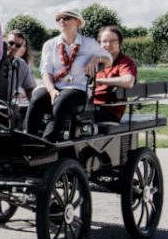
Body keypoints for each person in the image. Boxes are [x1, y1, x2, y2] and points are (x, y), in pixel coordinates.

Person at [25, 8, 112, 140]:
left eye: (66, 18)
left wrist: (96, 58)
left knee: (62, 100)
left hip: (77, 88)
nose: (61, 21)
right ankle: (29, 139)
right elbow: (46, 72)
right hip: (53, 85)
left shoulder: (89, 43)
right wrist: (51, 90)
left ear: (77, 21)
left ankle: (46, 143)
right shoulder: (49, 44)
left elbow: (109, 60)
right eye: (58, 19)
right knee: (37, 98)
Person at [94, 25, 138, 122]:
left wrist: (99, 81)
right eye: (104, 41)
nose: (108, 44)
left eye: (113, 41)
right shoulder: (95, 62)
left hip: (109, 109)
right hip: (89, 104)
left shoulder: (125, 62)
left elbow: (128, 81)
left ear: (120, 43)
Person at [5, 29, 36, 115]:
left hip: (8, 104)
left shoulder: (22, 64)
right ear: (4, 42)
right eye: (11, 43)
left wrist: (35, 106)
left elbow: (29, 89)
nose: (14, 47)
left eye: (18, 45)